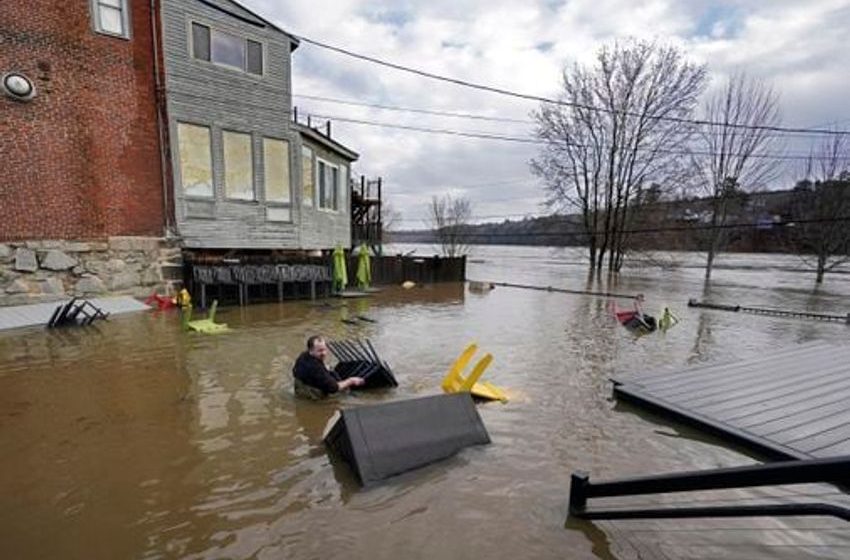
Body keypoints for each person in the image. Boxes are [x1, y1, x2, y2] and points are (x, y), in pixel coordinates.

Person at [293, 335, 364, 399]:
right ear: (311, 350)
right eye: (320, 351)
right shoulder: (316, 368)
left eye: (324, 349)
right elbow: (334, 388)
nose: (324, 353)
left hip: (300, 386)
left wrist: (324, 368)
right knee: (341, 395)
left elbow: (294, 371)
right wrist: (351, 381)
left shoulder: (303, 356)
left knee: (329, 370)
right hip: (310, 394)